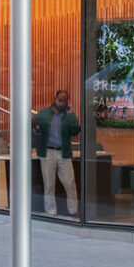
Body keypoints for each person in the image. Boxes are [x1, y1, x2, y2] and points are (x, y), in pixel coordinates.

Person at [33, 85, 80, 217]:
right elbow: (35, 126)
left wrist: (71, 117)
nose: (61, 103)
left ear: (67, 102)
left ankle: (73, 210)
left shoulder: (69, 116)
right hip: (48, 152)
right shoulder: (44, 113)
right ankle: (51, 211)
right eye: (60, 100)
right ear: (55, 99)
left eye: (64, 101)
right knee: (49, 183)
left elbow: (75, 131)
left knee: (70, 182)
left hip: (63, 152)